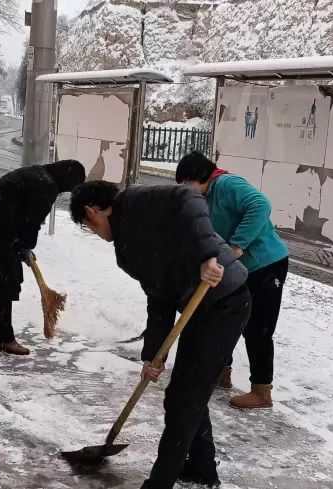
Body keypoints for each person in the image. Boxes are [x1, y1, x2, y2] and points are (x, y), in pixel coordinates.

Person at [70, 180, 251, 489]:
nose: (96, 234)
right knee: (188, 392)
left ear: (93, 211)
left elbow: (190, 198)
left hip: (226, 300)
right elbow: (159, 299)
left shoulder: (140, 200)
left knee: (183, 398)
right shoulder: (126, 252)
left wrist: (209, 254)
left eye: (89, 226)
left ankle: (161, 482)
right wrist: (154, 354)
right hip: (199, 308)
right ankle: (201, 470)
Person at [176, 151, 289, 410]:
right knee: (222, 316)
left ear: (199, 176)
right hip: (237, 268)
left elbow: (261, 205)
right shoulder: (206, 196)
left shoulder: (227, 184)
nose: (185, 191)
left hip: (265, 264)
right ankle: (220, 373)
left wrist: (238, 245)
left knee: (258, 327)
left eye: (186, 184)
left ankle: (261, 391)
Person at [0, 160, 87, 356]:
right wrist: (24, 246)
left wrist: (22, 245)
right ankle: (5, 339)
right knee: (4, 283)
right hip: (1, 232)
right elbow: (32, 222)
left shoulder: (36, 173)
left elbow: (22, 212)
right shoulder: (47, 187)